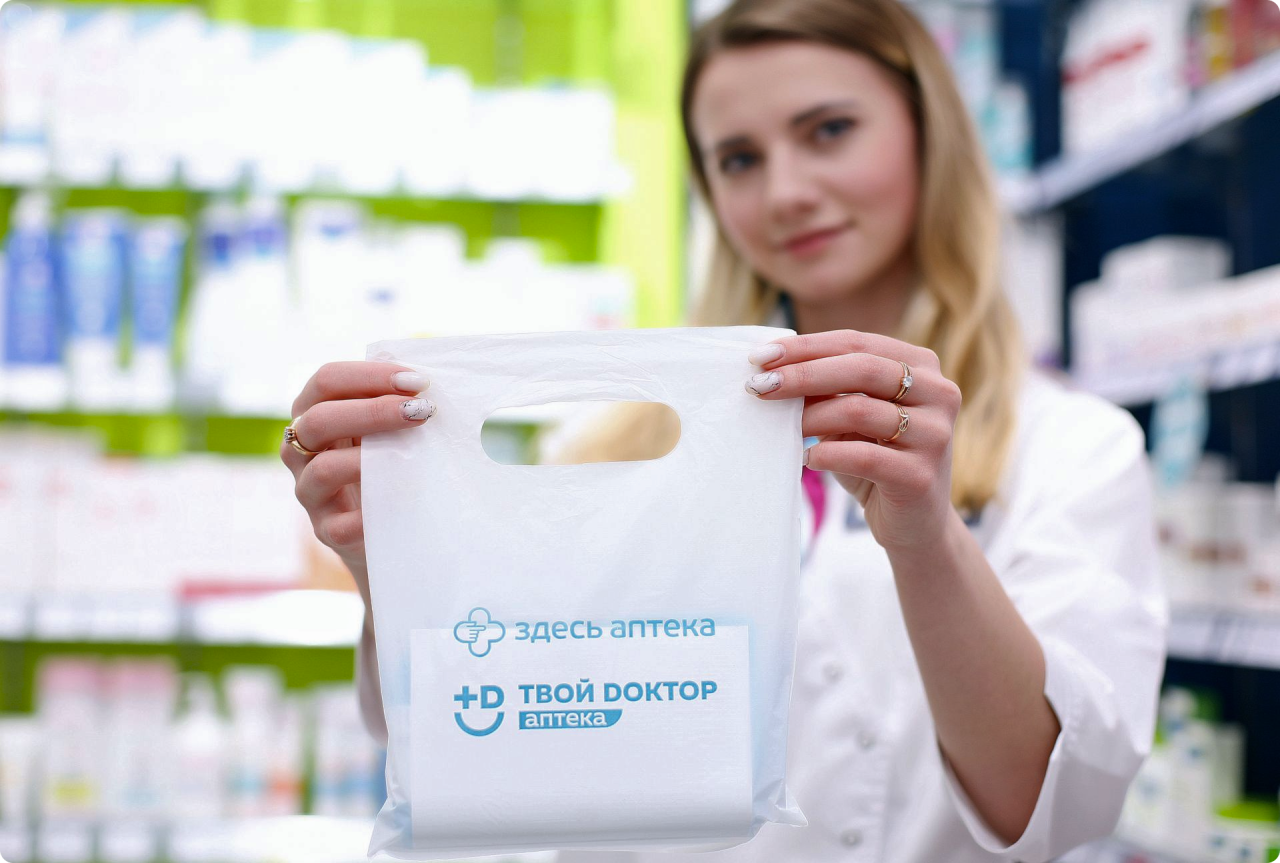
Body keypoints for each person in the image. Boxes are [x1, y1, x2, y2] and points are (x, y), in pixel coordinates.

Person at [281, 0, 1168, 860]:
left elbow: (1049, 805)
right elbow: (474, 745)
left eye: (829, 130)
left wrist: (929, 538)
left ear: (928, 135)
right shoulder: (608, 445)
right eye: (739, 159)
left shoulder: (1070, 450)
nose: (786, 192)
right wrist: (389, 564)